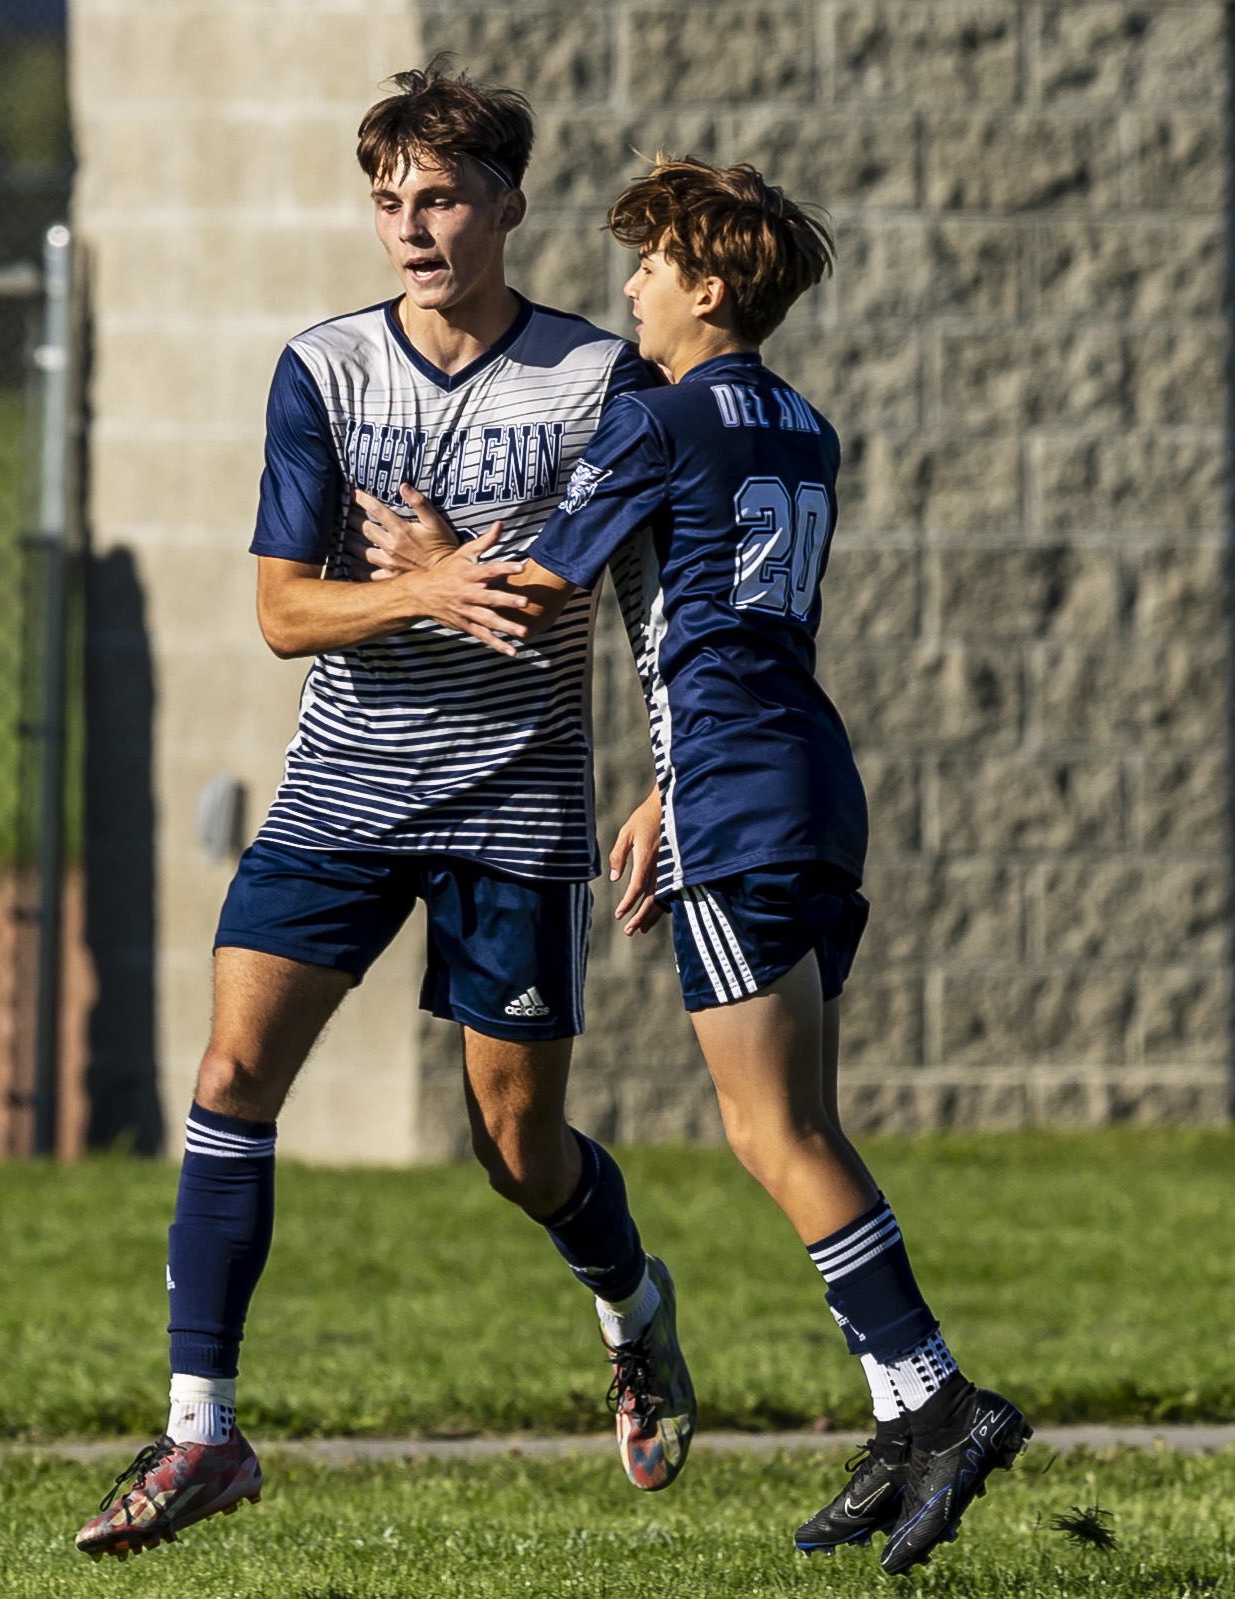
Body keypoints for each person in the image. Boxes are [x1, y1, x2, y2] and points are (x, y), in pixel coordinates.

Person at [362, 157, 1031, 1576]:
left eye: (650, 268)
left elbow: (541, 589)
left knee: (769, 1135)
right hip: (799, 779)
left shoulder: (661, 421)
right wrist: (666, 788)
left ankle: (936, 1402)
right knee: (806, 1126)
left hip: (744, 798)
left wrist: (426, 562)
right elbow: (732, 619)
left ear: (709, 287)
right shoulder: (800, 422)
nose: (629, 290)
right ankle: (904, 1417)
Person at [74, 61, 695, 1563]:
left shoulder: (597, 382)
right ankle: (204, 1433)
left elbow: (635, 611)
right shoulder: (325, 370)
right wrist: (425, 584)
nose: (410, 228)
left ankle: (632, 1301)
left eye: (439, 198)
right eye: (387, 200)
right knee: (231, 1075)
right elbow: (287, 615)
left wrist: (675, 783)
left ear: (506, 207)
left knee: (516, 1148)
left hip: (516, 809)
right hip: (342, 791)